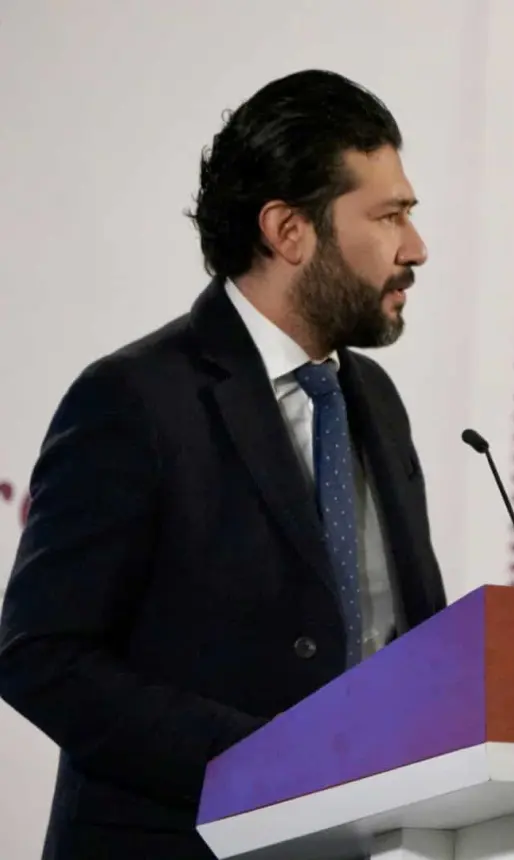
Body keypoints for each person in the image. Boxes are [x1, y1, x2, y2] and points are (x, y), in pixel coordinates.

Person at [0, 70, 448, 860]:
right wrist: (264, 764)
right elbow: (42, 657)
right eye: (389, 215)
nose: (416, 247)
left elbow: (398, 637)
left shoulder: (372, 397)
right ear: (288, 231)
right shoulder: (135, 399)